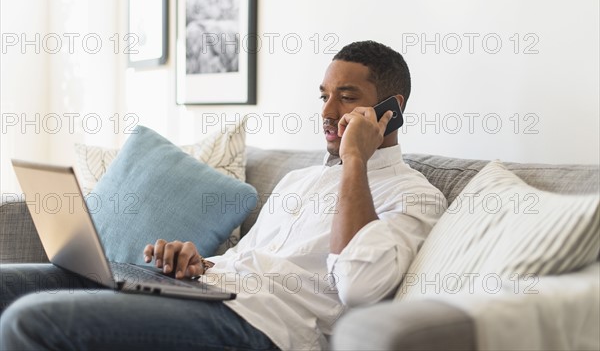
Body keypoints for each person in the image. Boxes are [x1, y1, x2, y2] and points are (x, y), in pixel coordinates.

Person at [0, 40, 446, 350]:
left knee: (30, 320)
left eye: (346, 98)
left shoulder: (415, 196)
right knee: (7, 287)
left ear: (392, 110)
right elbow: (249, 258)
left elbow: (359, 285)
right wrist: (197, 263)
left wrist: (355, 160)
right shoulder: (300, 181)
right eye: (324, 96)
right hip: (203, 292)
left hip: (259, 327)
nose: (327, 113)